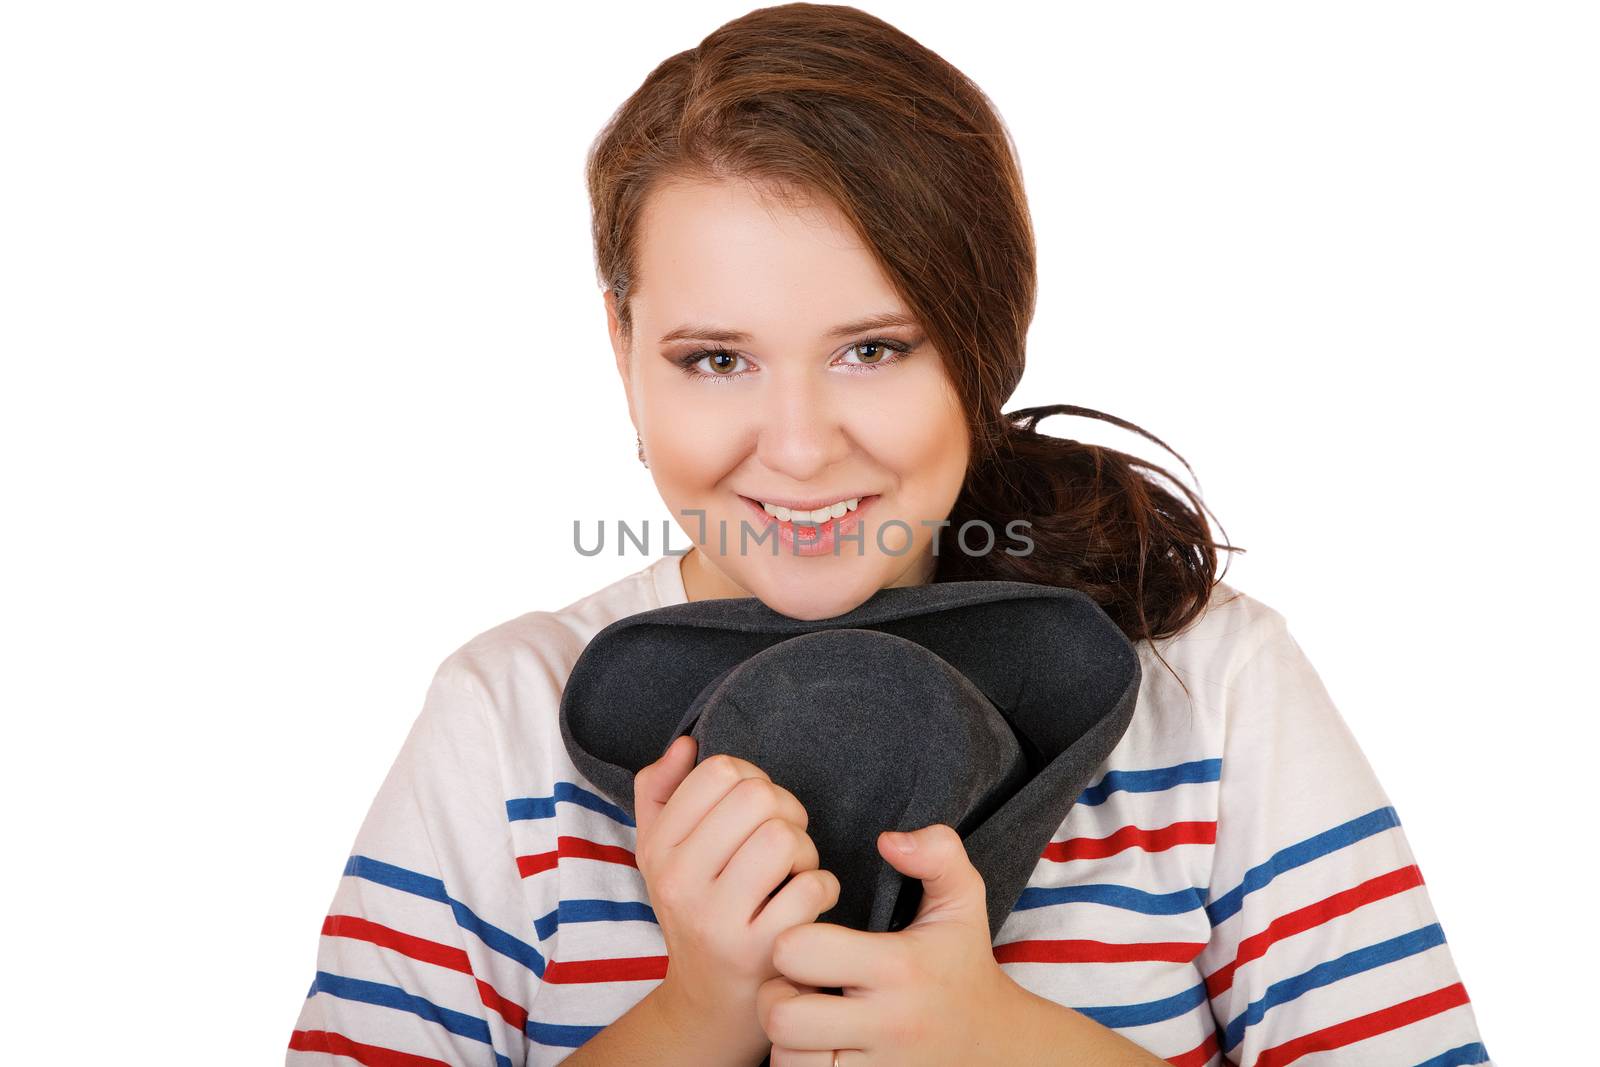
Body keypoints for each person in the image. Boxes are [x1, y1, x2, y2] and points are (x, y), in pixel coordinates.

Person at [285, 4, 1493, 1064]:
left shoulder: (1216, 688)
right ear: (619, 343)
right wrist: (702, 1010)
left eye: (874, 348)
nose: (800, 447)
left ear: (983, 342)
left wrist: (1006, 1043)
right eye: (717, 358)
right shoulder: (503, 723)